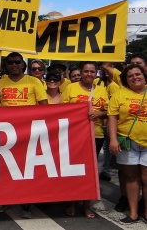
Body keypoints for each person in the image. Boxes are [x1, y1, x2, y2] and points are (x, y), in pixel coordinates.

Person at [0, 52, 47, 218]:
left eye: (17, 62)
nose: (14, 65)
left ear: (23, 65)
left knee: (26, 169)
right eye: (10, 62)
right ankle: (4, 198)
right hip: (5, 134)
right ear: (6, 65)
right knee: (5, 169)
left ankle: (26, 204)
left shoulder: (34, 81)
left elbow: (44, 106)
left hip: (27, 134)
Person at [61, 61, 108, 219]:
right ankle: (71, 202)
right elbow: (62, 110)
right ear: (81, 72)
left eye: (92, 71)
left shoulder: (102, 90)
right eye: (86, 71)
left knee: (90, 172)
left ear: (96, 73)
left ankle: (86, 205)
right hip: (74, 136)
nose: (89, 74)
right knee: (73, 170)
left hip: (96, 135)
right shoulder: (70, 88)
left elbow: (108, 111)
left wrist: (99, 114)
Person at [108, 64, 147, 224]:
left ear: (144, 76)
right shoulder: (119, 94)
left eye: (138, 74)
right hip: (127, 142)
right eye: (130, 76)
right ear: (125, 79)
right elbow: (112, 117)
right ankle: (133, 213)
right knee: (131, 178)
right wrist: (113, 139)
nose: (134, 77)